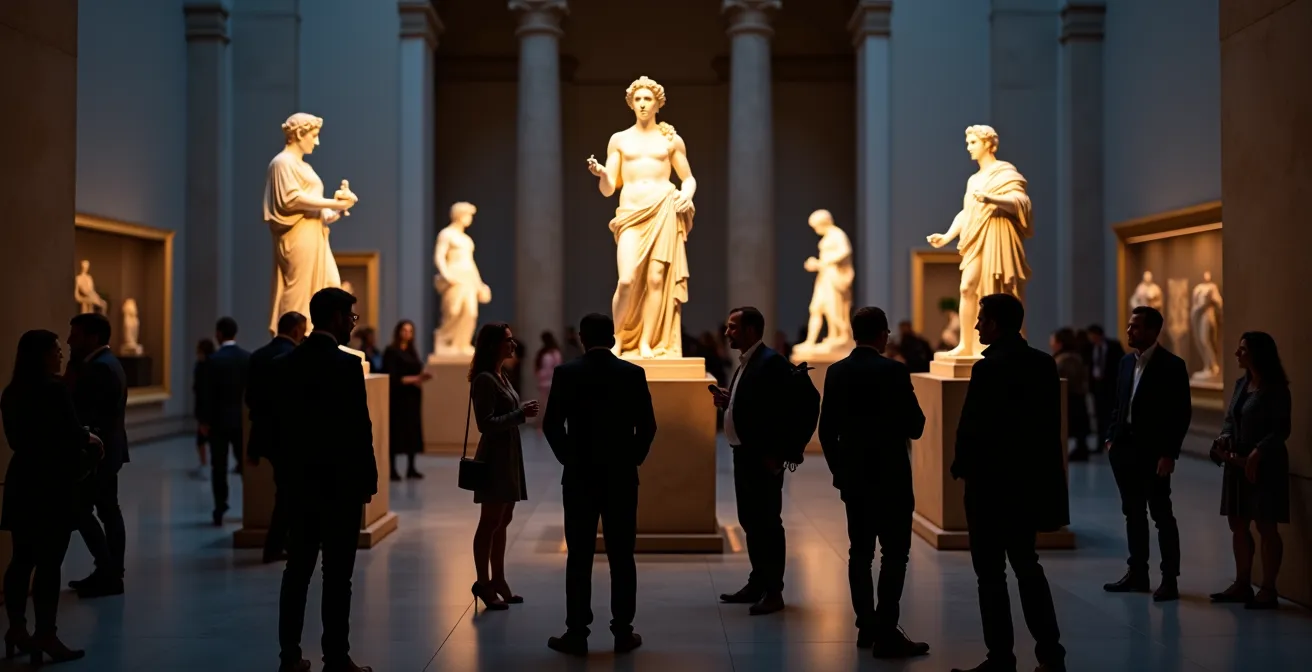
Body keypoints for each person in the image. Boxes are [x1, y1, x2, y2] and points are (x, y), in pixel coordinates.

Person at [950, 293, 1067, 672]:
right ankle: (1051, 655)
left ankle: (1000, 657)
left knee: (990, 575)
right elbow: (1048, 429)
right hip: (1027, 485)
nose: (976, 325)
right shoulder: (1043, 364)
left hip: (989, 487)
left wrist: (962, 466)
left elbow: (973, 426)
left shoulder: (989, 368)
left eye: (982, 319)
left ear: (996, 324)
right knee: (1027, 566)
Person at [274, 288, 377, 672]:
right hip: (340, 489)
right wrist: (368, 481)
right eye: (350, 318)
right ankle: (336, 657)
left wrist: (285, 478)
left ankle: (289, 656)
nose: (353, 324)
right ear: (334, 318)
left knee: (296, 572)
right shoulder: (346, 366)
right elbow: (358, 430)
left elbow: (274, 432)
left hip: (299, 487)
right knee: (337, 577)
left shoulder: (285, 365)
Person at [542, 313, 657, 656]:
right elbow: (648, 426)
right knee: (622, 555)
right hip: (621, 476)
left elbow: (551, 425)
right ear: (613, 337)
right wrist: (632, 458)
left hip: (579, 476)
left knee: (579, 555)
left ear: (581, 338)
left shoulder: (567, 373)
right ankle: (623, 631)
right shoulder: (632, 374)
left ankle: (577, 632)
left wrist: (568, 458)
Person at [818, 307, 929, 658]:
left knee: (860, 554)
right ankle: (886, 630)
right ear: (882, 334)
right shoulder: (894, 371)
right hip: (892, 478)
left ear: (854, 333)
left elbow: (826, 432)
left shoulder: (836, 372)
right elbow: (916, 425)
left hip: (855, 479)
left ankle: (866, 626)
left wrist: (839, 472)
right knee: (895, 555)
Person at [2, 330, 100, 664]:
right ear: (43, 355)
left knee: (21, 559)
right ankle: (46, 633)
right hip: (52, 484)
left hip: (21, 480)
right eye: (56, 350)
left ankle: (16, 628)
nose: (61, 355)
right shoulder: (55, 390)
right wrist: (89, 438)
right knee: (49, 563)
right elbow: (72, 435)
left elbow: (16, 441)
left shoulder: (11, 392)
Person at [1103, 306, 1191, 602]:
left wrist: (1169, 454)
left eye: (1136, 327)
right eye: (1129, 326)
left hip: (1154, 454)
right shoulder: (1126, 363)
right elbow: (1119, 402)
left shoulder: (1172, 366)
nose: (1129, 331)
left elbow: (1180, 414)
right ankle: (1138, 573)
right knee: (1133, 513)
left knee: (1161, 514)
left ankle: (1169, 578)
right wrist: (1111, 438)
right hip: (1124, 448)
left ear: (1154, 331)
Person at [713, 306, 792, 616]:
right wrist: (728, 401)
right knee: (751, 522)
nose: (727, 332)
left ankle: (774, 591)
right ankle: (758, 582)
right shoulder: (749, 361)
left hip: (762, 458)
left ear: (750, 330)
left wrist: (774, 456)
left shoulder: (770, 363)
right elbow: (754, 405)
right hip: (745, 454)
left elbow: (781, 413)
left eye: (733, 327)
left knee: (768, 523)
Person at [1209, 332, 1290, 609]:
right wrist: (1224, 436)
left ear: (1257, 353)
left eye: (1242, 349)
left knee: (1266, 525)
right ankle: (1242, 583)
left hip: (1266, 464)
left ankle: (1268, 588)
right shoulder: (1241, 384)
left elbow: (1281, 429)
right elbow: (1231, 418)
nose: (1237, 354)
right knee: (1238, 523)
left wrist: (1259, 451)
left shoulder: (1276, 388)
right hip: (1237, 461)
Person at [468, 323, 539, 611]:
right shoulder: (485, 379)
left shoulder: (501, 374)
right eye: (508, 340)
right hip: (495, 456)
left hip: (508, 453)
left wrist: (517, 414)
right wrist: (519, 415)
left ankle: (499, 578)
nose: (513, 344)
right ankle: (483, 582)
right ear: (494, 344)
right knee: (490, 521)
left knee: (503, 519)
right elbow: (485, 424)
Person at [65, 312, 129, 599]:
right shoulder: (105, 364)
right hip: (107, 452)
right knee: (107, 510)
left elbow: (89, 415)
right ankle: (109, 570)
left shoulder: (99, 369)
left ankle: (109, 571)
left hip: (96, 454)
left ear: (92, 338)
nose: (68, 341)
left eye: (75, 336)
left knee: (81, 511)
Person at [247, 311, 308, 564]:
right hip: (290, 435)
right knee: (289, 494)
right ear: (296, 331)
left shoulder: (258, 356)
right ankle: (276, 546)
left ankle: (282, 543)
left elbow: (250, 399)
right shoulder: (297, 357)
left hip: (265, 433)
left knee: (285, 489)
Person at [203, 317, 251, 525]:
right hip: (242, 422)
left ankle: (220, 506)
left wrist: (204, 421)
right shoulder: (246, 358)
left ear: (219, 334)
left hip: (218, 422)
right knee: (246, 464)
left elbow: (206, 395)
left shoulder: (213, 360)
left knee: (219, 466)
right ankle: (251, 505)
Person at [383, 319, 430, 480]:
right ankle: (393, 469)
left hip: (412, 398)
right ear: (398, 332)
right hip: (398, 398)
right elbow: (392, 376)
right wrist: (417, 378)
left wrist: (421, 378)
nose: (407, 334)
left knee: (412, 432)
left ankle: (411, 467)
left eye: (410, 331)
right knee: (396, 432)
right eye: (404, 330)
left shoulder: (412, 352)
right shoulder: (391, 351)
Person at [1051, 328, 1091, 461]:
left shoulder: (1066, 359)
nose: (1051, 343)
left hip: (1071, 399)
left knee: (1074, 427)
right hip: (1075, 398)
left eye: (1053, 340)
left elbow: (1068, 380)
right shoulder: (1072, 357)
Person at [1086, 324, 1124, 452]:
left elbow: (1121, 363)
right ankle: (1100, 443)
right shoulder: (1089, 348)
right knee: (1099, 416)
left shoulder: (1113, 346)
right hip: (1097, 386)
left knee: (1111, 415)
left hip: (1111, 386)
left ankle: (1113, 441)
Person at [192, 339, 215, 480]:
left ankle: (205, 463)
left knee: (203, 438)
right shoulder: (213, 365)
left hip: (205, 408)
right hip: (211, 408)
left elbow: (200, 389)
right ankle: (208, 464)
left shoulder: (202, 367)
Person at [535, 331, 563, 425]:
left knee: (544, 404)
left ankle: (543, 423)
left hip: (545, 381)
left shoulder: (546, 354)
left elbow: (544, 369)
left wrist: (540, 374)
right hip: (554, 381)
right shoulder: (556, 352)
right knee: (553, 404)